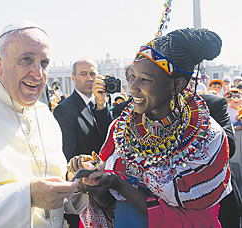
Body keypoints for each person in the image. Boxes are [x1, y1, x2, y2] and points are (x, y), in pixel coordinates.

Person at [71, 28, 232, 227]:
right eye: (132, 76)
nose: (133, 87)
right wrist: (94, 181)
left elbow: (193, 218)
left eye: (145, 79)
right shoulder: (121, 128)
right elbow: (110, 206)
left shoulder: (208, 137)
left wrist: (119, 183)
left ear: (178, 84)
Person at [0, 21, 88, 227]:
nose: (38, 73)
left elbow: (55, 205)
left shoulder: (45, 115)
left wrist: (77, 184)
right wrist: (26, 198)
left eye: (44, 63)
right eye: (27, 60)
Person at [53, 58, 113, 227]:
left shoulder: (98, 104)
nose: (89, 78)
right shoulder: (64, 109)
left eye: (92, 73)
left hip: (105, 189)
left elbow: (108, 141)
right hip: (84, 197)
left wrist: (102, 106)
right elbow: (68, 157)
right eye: (83, 74)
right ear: (73, 78)